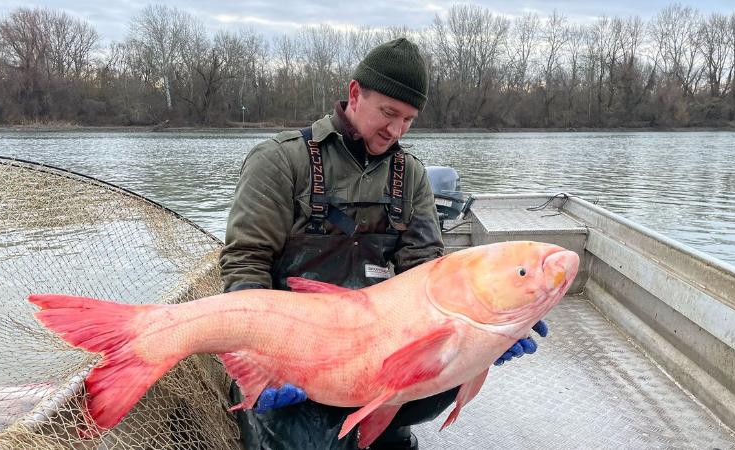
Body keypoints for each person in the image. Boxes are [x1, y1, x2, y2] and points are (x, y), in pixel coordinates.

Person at [219, 37, 547, 450]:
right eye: (389, 113)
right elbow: (246, 262)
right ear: (355, 94)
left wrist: (488, 330)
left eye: (408, 120)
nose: (396, 130)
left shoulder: (410, 176)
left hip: (377, 350)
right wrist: (257, 355)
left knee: (449, 376)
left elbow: (427, 273)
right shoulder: (281, 160)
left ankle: (381, 422)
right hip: (293, 352)